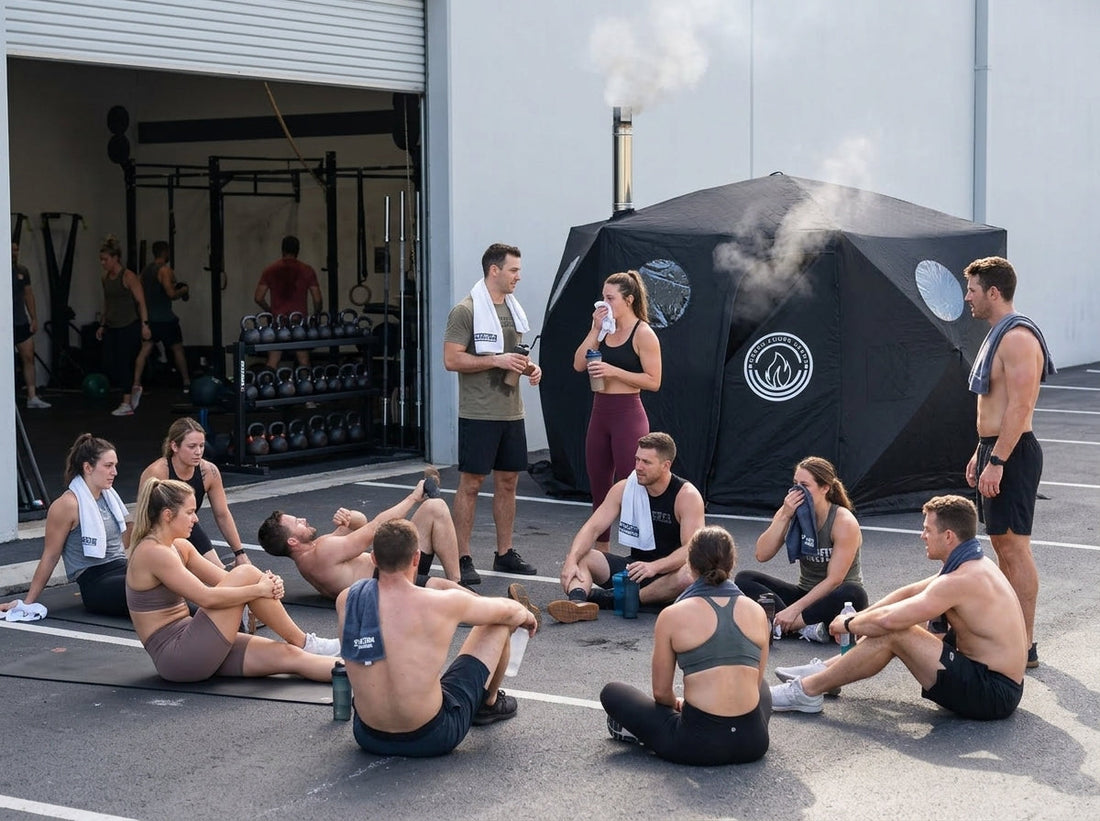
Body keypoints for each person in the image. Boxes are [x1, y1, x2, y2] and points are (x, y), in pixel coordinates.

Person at [769, 495, 1026, 720]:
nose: (922, 535)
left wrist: (847, 624)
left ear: (948, 536)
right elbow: (909, 592)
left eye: (927, 529)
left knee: (897, 630)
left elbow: (890, 622)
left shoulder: (960, 580)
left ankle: (807, 691)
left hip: (993, 693)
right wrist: (862, 615)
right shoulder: (973, 563)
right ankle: (827, 672)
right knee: (896, 624)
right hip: (995, 680)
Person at [336, 519, 536, 757]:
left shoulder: (348, 599)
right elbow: (508, 611)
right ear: (416, 558)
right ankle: (489, 704)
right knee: (498, 623)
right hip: (432, 737)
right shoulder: (442, 603)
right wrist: (526, 615)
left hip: (368, 735)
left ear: (374, 559)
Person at [126, 478, 339, 683]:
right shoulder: (153, 552)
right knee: (246, 573)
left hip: (198, 642)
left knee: (291, 655)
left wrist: (268, 583)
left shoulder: (180, 546)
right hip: (179, 655)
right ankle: (305, 642)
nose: (196, 519)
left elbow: (228, 580)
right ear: (167, 515)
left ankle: (363, 671)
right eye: (190, 512)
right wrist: (259, 589)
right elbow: (207, 598)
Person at [600, 526, 771, 765]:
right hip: (753, 741)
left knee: (613, 692)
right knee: (761, 683)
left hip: (699, 745)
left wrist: (677, 704)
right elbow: (754, 681)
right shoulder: (757, 611)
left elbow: (661, 693)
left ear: (690, 565)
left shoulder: (673, 614)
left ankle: (645, 734)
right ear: (732, 563)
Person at [963, 256, 1055, 669]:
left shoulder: (1017, 337)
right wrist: (980, 452)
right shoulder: (997, 334)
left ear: (993, 293)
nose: (968, 297)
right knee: (1001, 545)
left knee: (1015, 549)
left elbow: (1021, 406)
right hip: (996, 449)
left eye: (973, 290)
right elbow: (996, 406)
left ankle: (1026, 645)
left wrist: (998, 458)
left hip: (1013, 453)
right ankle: (1010, 635)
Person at [442, 242, 543, 583]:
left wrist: (530, 367)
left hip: (511, 412)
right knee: (470, 484)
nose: (518, 276)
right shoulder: (466, 310)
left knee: (509, 483)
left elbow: (511, 355)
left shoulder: (514, 309)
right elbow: (452, 359)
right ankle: (462, 557)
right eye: (513, 270)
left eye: (518, 270)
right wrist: (497, 360)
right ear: (494, 270)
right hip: (478, 413)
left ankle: (504, 554)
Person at [548, 432, 706, 623]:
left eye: (646, 462)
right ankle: (577, 603)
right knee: (583, 555)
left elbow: (692, 548)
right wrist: (571, 560)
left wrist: (654, 567)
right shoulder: (625, 488)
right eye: (637, 459)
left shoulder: (686, 495)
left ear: (666, 465)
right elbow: (592, 528)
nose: (638, 467)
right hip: (635, 569)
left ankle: (609, 599)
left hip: (669, 574)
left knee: (689, 575)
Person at [256, 470, 463, 599]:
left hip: (390, 568)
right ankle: (478, 601)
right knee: (436, 508)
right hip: (393, 576)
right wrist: (413, 497)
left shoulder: (312, 554)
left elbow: (360, 524)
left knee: (435, 507)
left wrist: (349, 517)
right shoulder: (322, 552)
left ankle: (459, 583)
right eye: (297, 522)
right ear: (292, 541)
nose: (302, 519)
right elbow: (375, 528)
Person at [734, 456, 868, 643]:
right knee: (744, 578)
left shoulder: (843, 521)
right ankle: (807, 627)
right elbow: (762, 554)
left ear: (825, 488)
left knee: (853, 593)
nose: (798, 491)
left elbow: (834, 580)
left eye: (805, 485)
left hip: (836, 597)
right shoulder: (791, 510)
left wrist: (793, 610)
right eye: (795, 484)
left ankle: (787, 625)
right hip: (806, 592)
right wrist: (784, 516)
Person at [573, 270, 661, 552]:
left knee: (634, 487)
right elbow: (577, 364)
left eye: (610, 298)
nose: (604, 303)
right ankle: (602, 558)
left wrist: (614, 371)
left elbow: (653, 381)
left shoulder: (643, 333)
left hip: (628, 414)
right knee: (600, 488)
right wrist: (595, 329)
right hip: (600, 413)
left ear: (629, 299)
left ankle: (642, 555)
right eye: (603, 297)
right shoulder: (605, 330)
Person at [1, 434, 130, 619]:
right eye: (108, 466)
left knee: (172, 563)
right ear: (88, 467)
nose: (114, 472)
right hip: (97, 583)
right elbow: (50, 555)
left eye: (115, 465)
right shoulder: (67, 505)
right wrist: (27, 603)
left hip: (122, 568)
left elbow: (125, 541)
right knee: (151, 586)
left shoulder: (110, 497)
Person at [138, 418, 252, 570]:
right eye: (192, 446)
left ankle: (220, 572)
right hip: (159, 533)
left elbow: (222, 514)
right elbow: (143, 517)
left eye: (202, 446)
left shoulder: (209, 472)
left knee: (219, 572)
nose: (198, 452)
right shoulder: (157, 472)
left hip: (188, 529)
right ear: (174, 446)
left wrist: (240, 553)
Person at [95, 234, 151, 416]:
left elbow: (141, 302)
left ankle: (126, 403)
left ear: (115, 258)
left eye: (105, 259)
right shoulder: (105, 278)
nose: (103, 263)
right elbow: (107, 303)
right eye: (101, 260)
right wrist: (102, 325)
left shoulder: (128, 276)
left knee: (123, 363)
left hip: (129, 325)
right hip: (112, 325)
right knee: (110, 363)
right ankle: (134, 388)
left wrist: (145, 325)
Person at [253, 235, 322, 369]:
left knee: (272, 362)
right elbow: (317, 299)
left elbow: (258, 298)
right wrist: (316, 315)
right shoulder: (307, 270)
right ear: (298, 250)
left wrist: (269, 311)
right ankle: (306, 387)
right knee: (303, 362)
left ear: (282, 249)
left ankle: (268, 387)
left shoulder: (270, 270)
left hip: (278, 322)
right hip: (299, 322)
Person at [131, 241, 191, 395]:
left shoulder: (145, 271)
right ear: (165, 252)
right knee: (177, 349)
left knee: (144, 350)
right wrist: (183, 290)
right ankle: (186, 382)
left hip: (149, 320)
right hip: (165, 319)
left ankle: (136, 384)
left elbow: (138, 293)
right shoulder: (165, 270)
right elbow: (171, 294)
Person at [12, 242, 50, 408]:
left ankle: (32, 397)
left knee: (28, 356)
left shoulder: (22, 271)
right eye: (11, 250)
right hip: (4, 324)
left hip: (20, 321)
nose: (15, 253)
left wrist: (33, 318)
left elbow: (28, 294)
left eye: (16, 250)